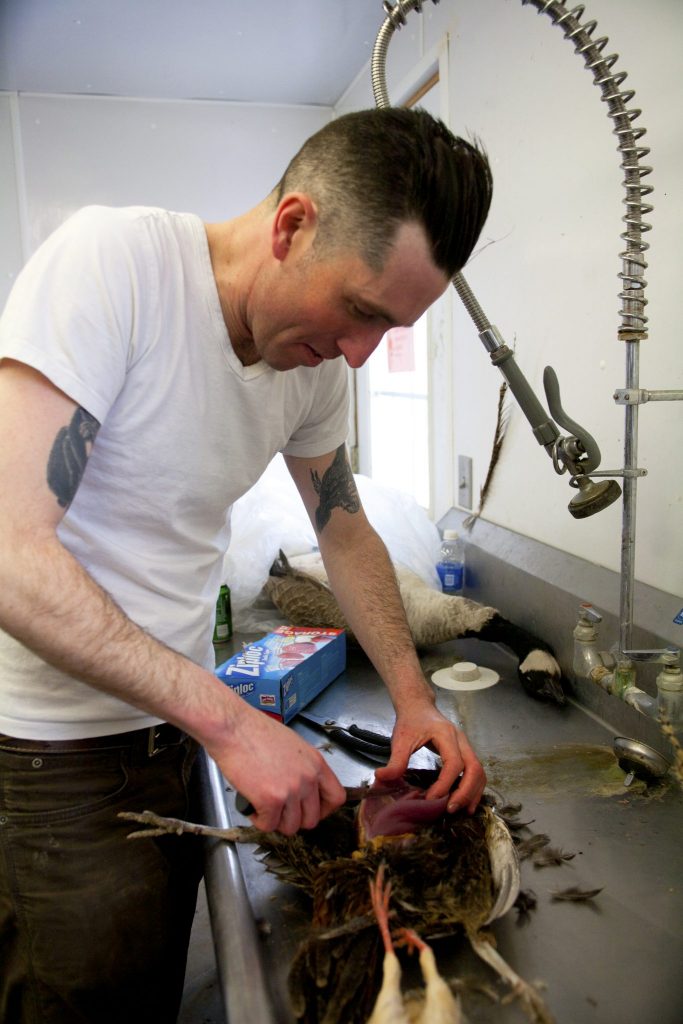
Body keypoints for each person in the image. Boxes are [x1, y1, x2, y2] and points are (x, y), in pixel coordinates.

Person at [0, 107, 493, 1022]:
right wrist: (231, 725)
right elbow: (7, 552)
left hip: (171, 728)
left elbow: (341, 528)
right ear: (292, 225)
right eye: (359, 310)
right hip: (50, 755)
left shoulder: (311, 369)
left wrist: (413, 698)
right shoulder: (114, 267)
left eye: (388, 331)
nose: (357, 353)